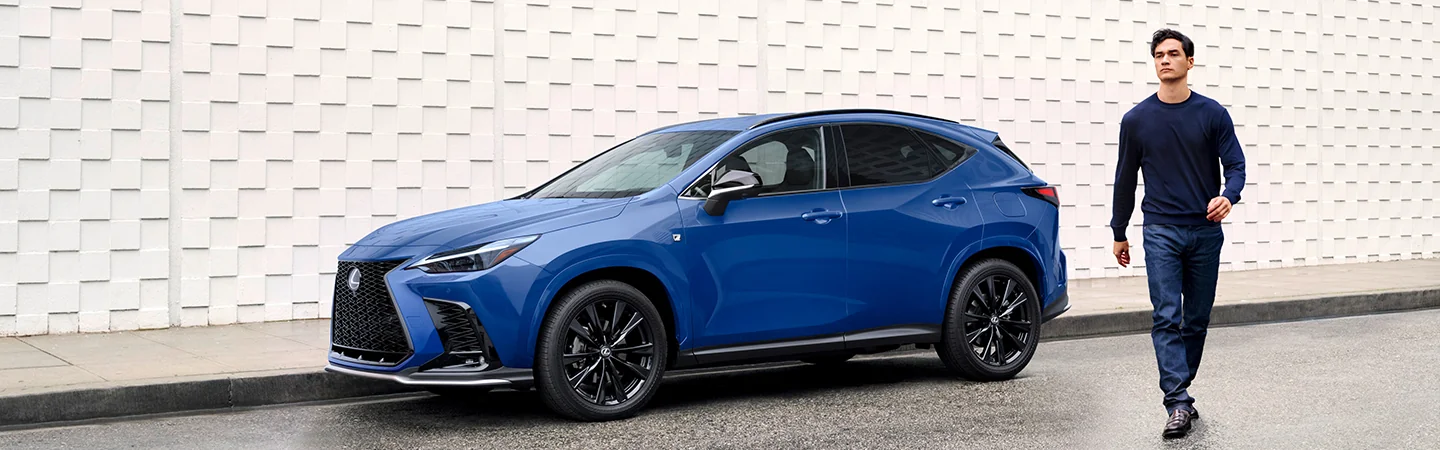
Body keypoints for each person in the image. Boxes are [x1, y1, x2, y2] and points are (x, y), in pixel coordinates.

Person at [1110, 28, 1247, 439]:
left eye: (1173, 54)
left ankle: (1181, 391)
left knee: (1197, 319)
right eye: (1158, 55)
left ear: (1190, 62)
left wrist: (1229, 196)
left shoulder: (1212, 114)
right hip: (1161, 230)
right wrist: (1119, 231)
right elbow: (1124, 179)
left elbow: (1236, 165)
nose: (1165, 60)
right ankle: (1177, 402)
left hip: (1205, 231)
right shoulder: (1136, 120)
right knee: (1166, 315)